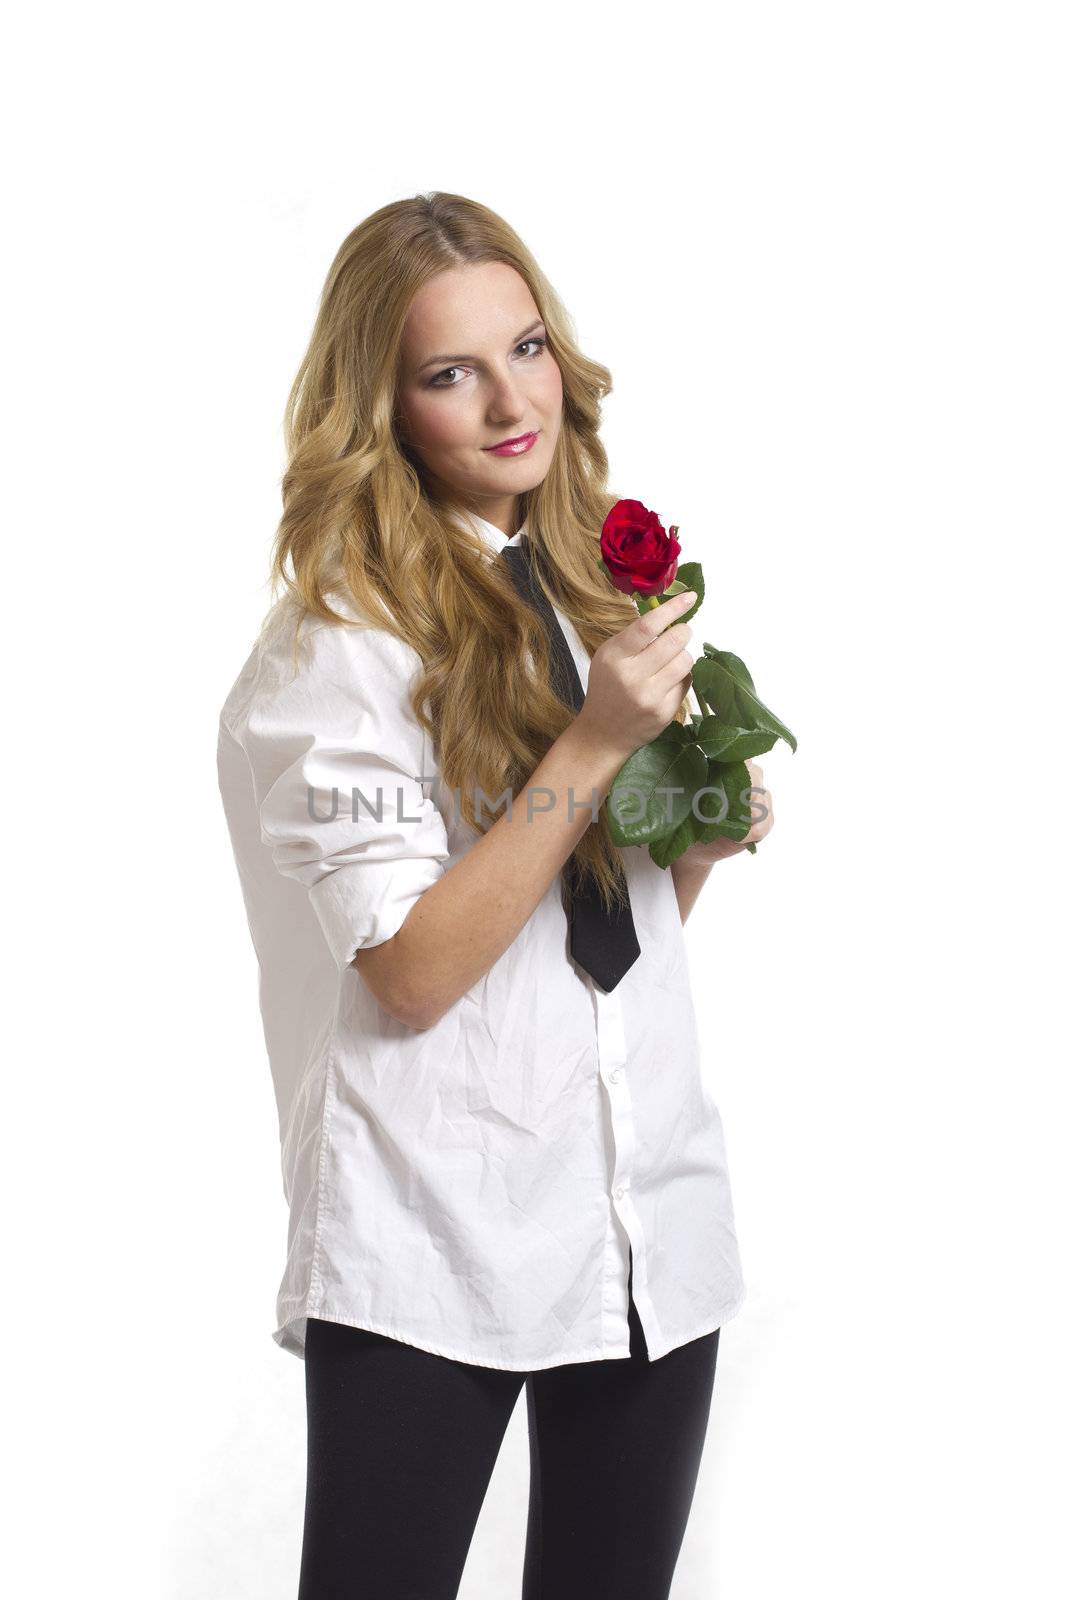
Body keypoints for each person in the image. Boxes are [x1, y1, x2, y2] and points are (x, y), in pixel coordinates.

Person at [216, 190, 774, 1599]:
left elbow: (584, 961)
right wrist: (593, 749)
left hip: (646, 1225)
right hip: (434, 1239)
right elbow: (409, 970)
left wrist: (687, 856)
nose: (510, 399)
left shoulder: (578, 592)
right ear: (382, 404)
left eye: (526, 348)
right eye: (448, 371)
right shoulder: (334, 650)